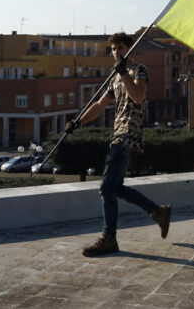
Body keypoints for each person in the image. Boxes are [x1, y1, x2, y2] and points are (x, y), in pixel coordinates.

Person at [65, 32, 171, 256]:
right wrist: (77, 122)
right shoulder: (114, 77)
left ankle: (109, 238)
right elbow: (100, 105)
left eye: (120, 48)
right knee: (116, 188)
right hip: (117, 134)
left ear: (129, 49)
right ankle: (157, 212)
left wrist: (123, 73)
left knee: (106, 187)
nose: (116, 52)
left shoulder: (138, 70)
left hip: (128, 135)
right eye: (113, 49)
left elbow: (139, 96)